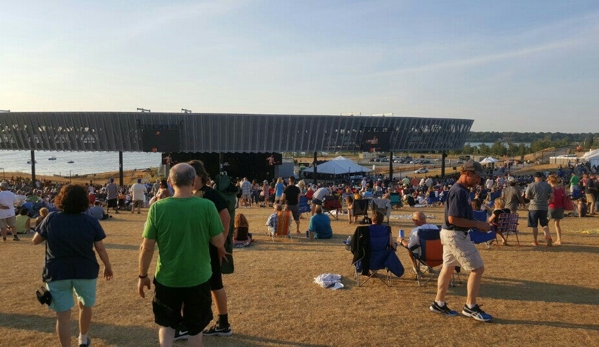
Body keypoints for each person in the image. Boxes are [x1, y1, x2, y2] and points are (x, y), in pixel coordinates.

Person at [138, 163, 225, 347]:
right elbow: (219, 242)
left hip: (167, 278)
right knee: (195, 330)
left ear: (170, 181)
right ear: (194, 181)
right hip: (198, 277)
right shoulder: (207, 206)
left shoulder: (157, 208)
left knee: (166, 325)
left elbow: (147, 247)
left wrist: (142, 275)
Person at [33, 184, 113, 347]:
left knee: (63, 316)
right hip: (85, 270)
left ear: (61, 200)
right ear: (84, 201)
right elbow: (100, 249)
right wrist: (108, 266)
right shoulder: (91, 221)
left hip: (57, 272)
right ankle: (83, 339)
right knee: (85, 305)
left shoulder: (51, 218)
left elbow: (35, 240)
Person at [430, 160, 493, 322]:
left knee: (448, 267)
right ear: (468, 173)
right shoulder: (459, 192)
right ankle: (470, 307)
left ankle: (438, 302)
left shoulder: (461, 190)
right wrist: (477, 224)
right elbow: (454, 218)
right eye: (478, 177)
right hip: (455, 234)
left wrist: (478, 225)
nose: (479, 181)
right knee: (477, 269)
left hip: (449, 233)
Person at [184, 160, 233, 338]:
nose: (190, 180)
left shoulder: (210, 195)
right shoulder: (196, 193)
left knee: (213, 284)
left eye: (193, 176)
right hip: (202, 247)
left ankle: (222, 323)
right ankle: (222, 323)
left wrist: (220, 244)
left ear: (201, 176)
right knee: (211, 285)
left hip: (208, 247)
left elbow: (225, 217)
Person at [525, 172, 554, 247]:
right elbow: (552, 196)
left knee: (534, 225)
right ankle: (548, 237)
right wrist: (548, 200)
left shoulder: (531, 185)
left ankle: (535, 241)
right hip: (543, 207)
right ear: (542, 177)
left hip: (533, 207)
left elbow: (527, 196)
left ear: (534, 177)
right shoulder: (547, 185)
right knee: (544, 223)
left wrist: (532, 198)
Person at [547, 175, 566, 245]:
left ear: (550, 181)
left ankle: (547, 238)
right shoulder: (561, 188)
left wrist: (548, 201)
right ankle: (559, 239)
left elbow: (552, 199)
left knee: (545, 223)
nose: (547, 182)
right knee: (557, 224)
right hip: (560, 207)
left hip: (552, 206)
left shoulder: (551, 188)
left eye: (548, 180)